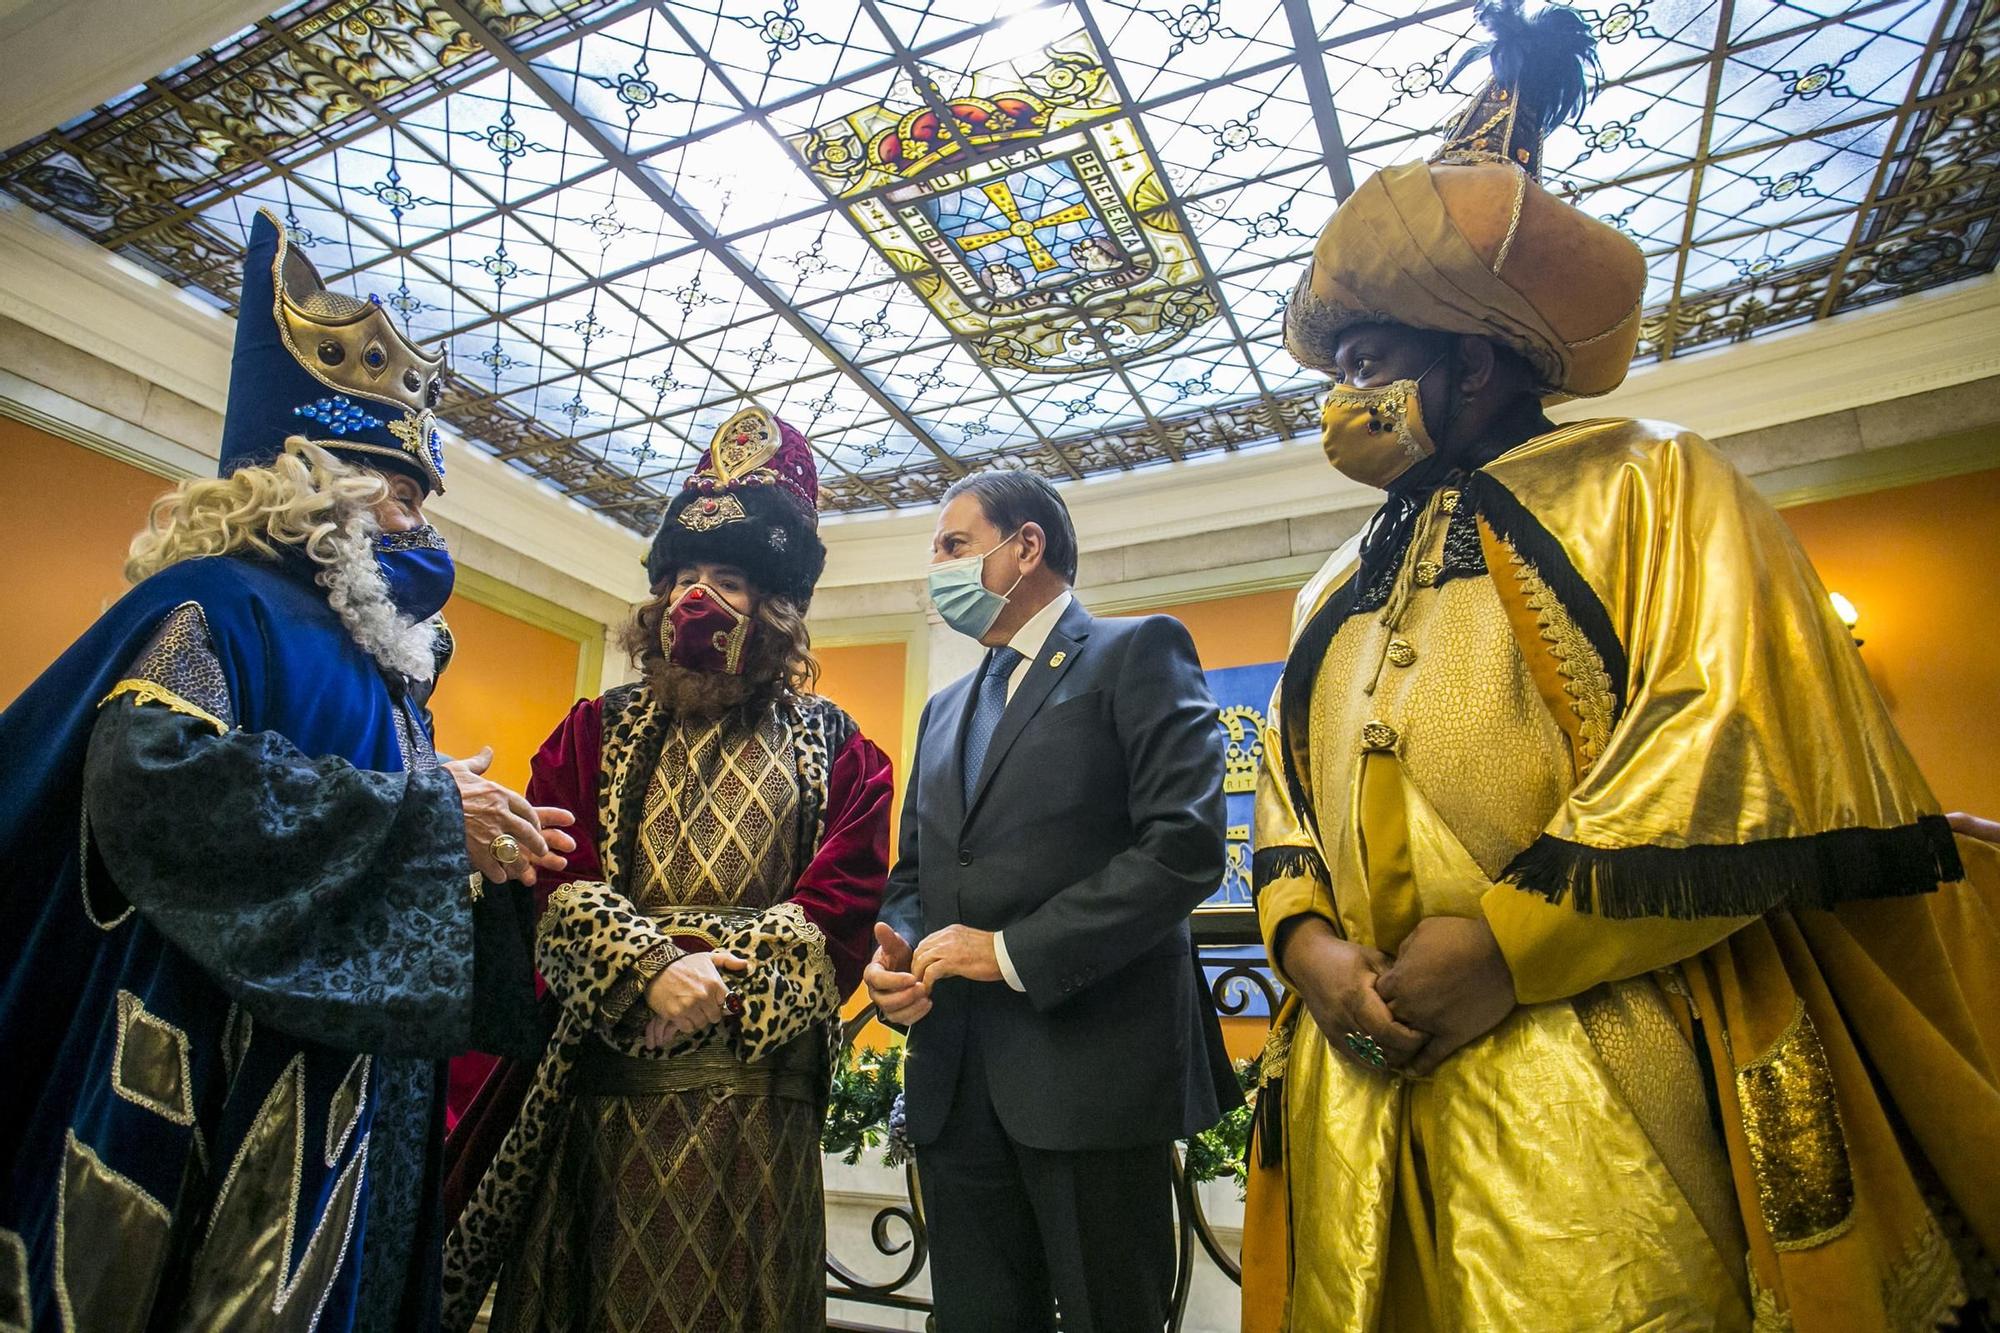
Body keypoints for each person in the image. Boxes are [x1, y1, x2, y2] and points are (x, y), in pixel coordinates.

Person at [1238, 4, 2000, 1330]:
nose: (1338, 397)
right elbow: (1286, 787)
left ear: (1473, 361)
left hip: (1607, 1067)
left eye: (1368, 364)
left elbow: (1728, 728)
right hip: (1358, 1083)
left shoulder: (1660, 482)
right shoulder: (1328, 577)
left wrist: (1509, 942)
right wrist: (1304, 944)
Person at [0, 207, 564, 1331]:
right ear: (312, 474)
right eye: (400, 491)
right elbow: (155, 786)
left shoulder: (377, 656)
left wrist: (448, 823)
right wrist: (424, 810)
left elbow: (360, 807)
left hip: (358, 1081)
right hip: (220, 1065)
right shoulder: (207, 602)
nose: (419, 524)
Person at [441, 407, 894, 1332]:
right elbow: (549, 874)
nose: (697, 599)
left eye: (728, 580)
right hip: (603, 1091)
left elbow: (840, 908)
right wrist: (647, 972)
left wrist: (699, 983)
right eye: (683, 576)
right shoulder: (593, 728)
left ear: (776, 606)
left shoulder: (839, 744)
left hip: (757, 1109)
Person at [866, 469, 1239, 1333]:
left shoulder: (1137, 650)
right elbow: (916, 874)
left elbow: (1184, 847)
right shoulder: (944, 708)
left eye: (954, 546)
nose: (938, 569)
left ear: (1025, 545)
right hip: (957, 1085)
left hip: (1091, 1077)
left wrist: (1003, 953)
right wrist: (905, 958)